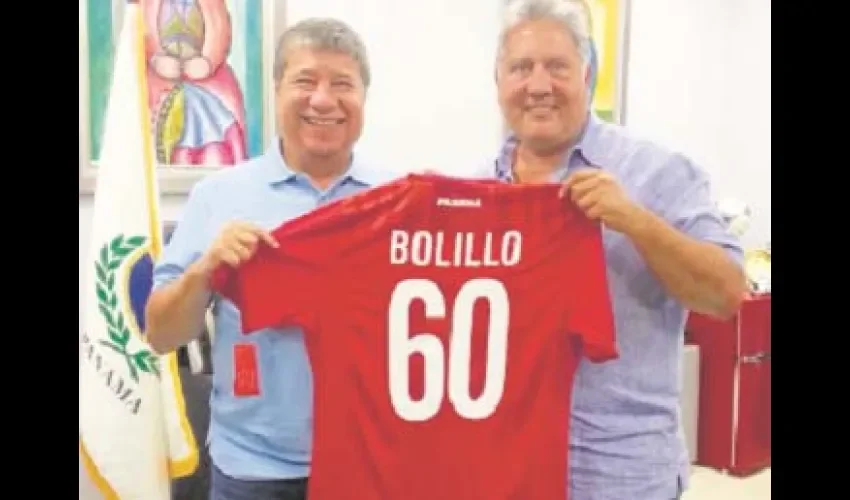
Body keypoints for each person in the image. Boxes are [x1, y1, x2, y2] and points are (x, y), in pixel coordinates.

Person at [483, 1, 749, 499]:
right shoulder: (474, 190)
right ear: (498, 82)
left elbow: (727, 293)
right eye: (520, 68)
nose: (538, 85)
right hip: (507, 468)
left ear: (587, 74)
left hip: (620, 476)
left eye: (557, 66)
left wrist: (635, 221)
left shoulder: (658, 171)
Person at [145, 18, 395, 500]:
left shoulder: (398, 201)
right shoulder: (218, 196)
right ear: (277, 89)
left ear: (364, 97)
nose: (323, 99)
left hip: (369, 464)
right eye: (306, 80)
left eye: (343, 84)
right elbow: (160, 334)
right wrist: (205, 271)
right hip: (253, 472)